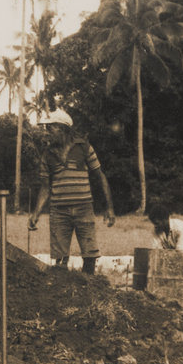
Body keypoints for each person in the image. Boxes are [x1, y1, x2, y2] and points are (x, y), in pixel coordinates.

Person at [28, 108, 115, 275]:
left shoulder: (83, 147)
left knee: (90, 255)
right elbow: (46, 187)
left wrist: (109, 208)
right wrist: (35, 214)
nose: (47, 133)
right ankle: (63, 294)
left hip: (84, 208)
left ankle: (87, 290)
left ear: (62, 129)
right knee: (60, 259)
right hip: (59, 211)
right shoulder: (47, 155)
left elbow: (100, 176)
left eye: (50, 128)